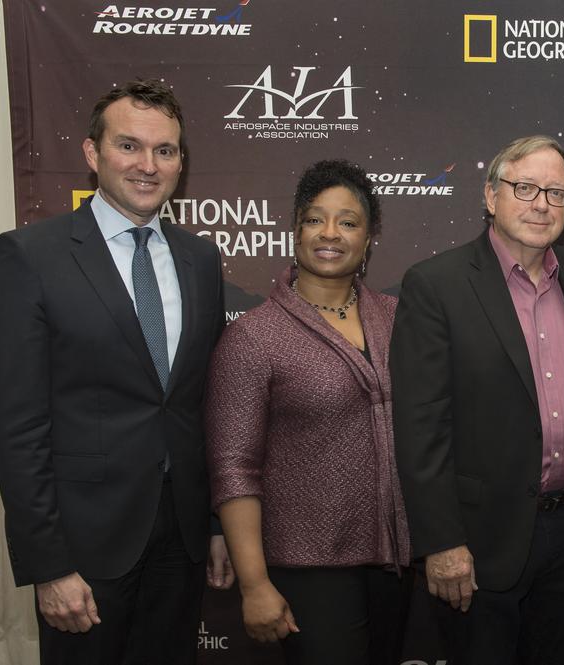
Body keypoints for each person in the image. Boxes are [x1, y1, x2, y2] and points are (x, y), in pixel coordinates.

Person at [0, 78, 232, 665]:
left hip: (183, 536)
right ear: (92, 154)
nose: (148, 165)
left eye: (165, 150)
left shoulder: (199, 258)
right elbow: (18, 426)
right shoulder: (30, 257)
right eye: (129, 146)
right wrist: (48, 565)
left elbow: (204, 406)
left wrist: (218, 524)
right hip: (84, 546)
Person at [391, 135, 564, 664]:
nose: (541, 204)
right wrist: (441, 542)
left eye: (556, 193)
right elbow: (421, 427)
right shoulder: (435, 284)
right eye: (525, 187)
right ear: (491, 197)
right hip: (477, 543)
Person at [205, 159, 410, 665]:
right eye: (315, 219)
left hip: (396, 564)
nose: (330, 233)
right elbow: (234, 468)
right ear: (295, 230)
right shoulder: (253, 336)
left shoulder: (398, 317)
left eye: (348, 221)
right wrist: (253, 584)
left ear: (368, 238)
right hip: (306, 568)